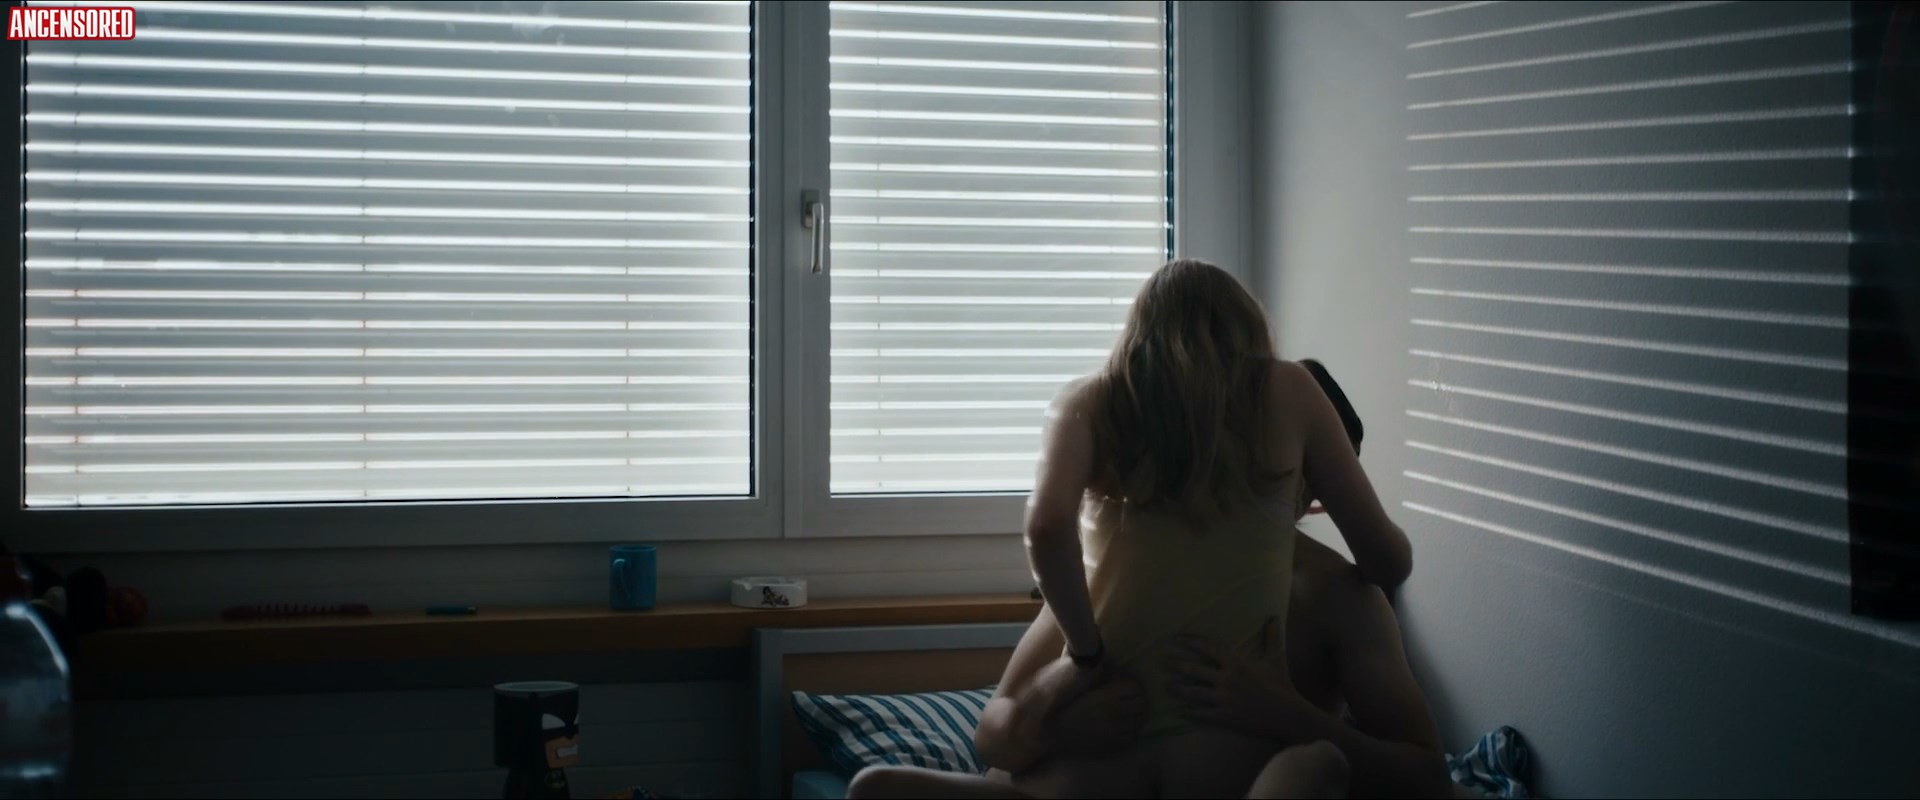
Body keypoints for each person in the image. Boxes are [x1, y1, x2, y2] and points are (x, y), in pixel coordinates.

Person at [850, 260, 1418, 797]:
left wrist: (1283, 713)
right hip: (1163, 769)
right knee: (1315, 765)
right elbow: (994, 734)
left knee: (1316, 764)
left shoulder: (1340, 597)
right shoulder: (1117, 572)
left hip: (1154, 774)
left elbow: (1427, 777)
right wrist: (1061, 716)